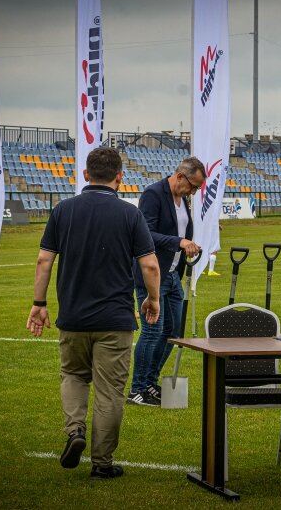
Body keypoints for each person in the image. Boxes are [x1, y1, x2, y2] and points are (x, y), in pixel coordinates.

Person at [26, 148, 161, 479]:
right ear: (119, 177)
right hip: (114, 320)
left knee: (73, 375)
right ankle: (102, 463)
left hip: (73, 317)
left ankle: (75, 431)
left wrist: (39, 304)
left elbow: (44, 260)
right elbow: (150, 264)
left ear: (85, 175)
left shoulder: (63, 210)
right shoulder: (130, 215)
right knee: (110, 392)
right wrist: (153, 300)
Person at [128, 157, 206, 406]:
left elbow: (182, 231)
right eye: (193, 186)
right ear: (181, 176)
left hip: (172, 274)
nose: (194, 192)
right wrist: (179, 242)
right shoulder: (153, 194)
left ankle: (150, 383)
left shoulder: (183, 200)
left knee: (172, 332)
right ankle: (137, 390)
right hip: (152, 275)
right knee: (152, 332)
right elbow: (145, 233)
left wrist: (187, 244)